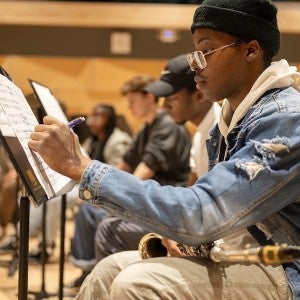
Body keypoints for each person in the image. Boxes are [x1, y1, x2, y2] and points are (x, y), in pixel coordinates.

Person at [29, 0, 300, 298]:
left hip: (285, 270)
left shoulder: (286, 119)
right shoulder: (230, 120)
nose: (194, 66)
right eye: (194, 53)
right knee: (109, 269)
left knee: (139, 282)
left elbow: (204, 211)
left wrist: (82, 167)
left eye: (205, 52)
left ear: (250, 50)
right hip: (243, 255)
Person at [93, 54, 220, 265]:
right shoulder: (199, 134)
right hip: (180, 214)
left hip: (206, 232)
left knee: (108, 228)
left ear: (198, 95)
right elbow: (193, 189)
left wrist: (177, 227)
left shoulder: (218, 130)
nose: (165, 105)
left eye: (172, 98)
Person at [91, 74, 192, 283]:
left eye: (133, 101)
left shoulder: (168, 125)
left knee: (107, 228)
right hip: (153, 200)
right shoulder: (146, 127)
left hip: (166, 205)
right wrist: (97, 184)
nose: (129, 108)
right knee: (92, 210)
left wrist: (110, 193)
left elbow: (144, 171)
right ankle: (93, 275)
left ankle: (111, 285)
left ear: (149, 97)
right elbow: (126, 164)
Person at [66, 104, 132, 288]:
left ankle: (90, 270)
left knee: (83, 209)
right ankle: (86, 269)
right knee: (58, 198)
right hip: (90, 188)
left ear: (109, 120)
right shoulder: (94, 139)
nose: (92, 121)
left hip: (110, 191)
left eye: (98, 117)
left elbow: (117, 174)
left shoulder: (120, 140)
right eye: (91, 116)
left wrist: (90, 191)